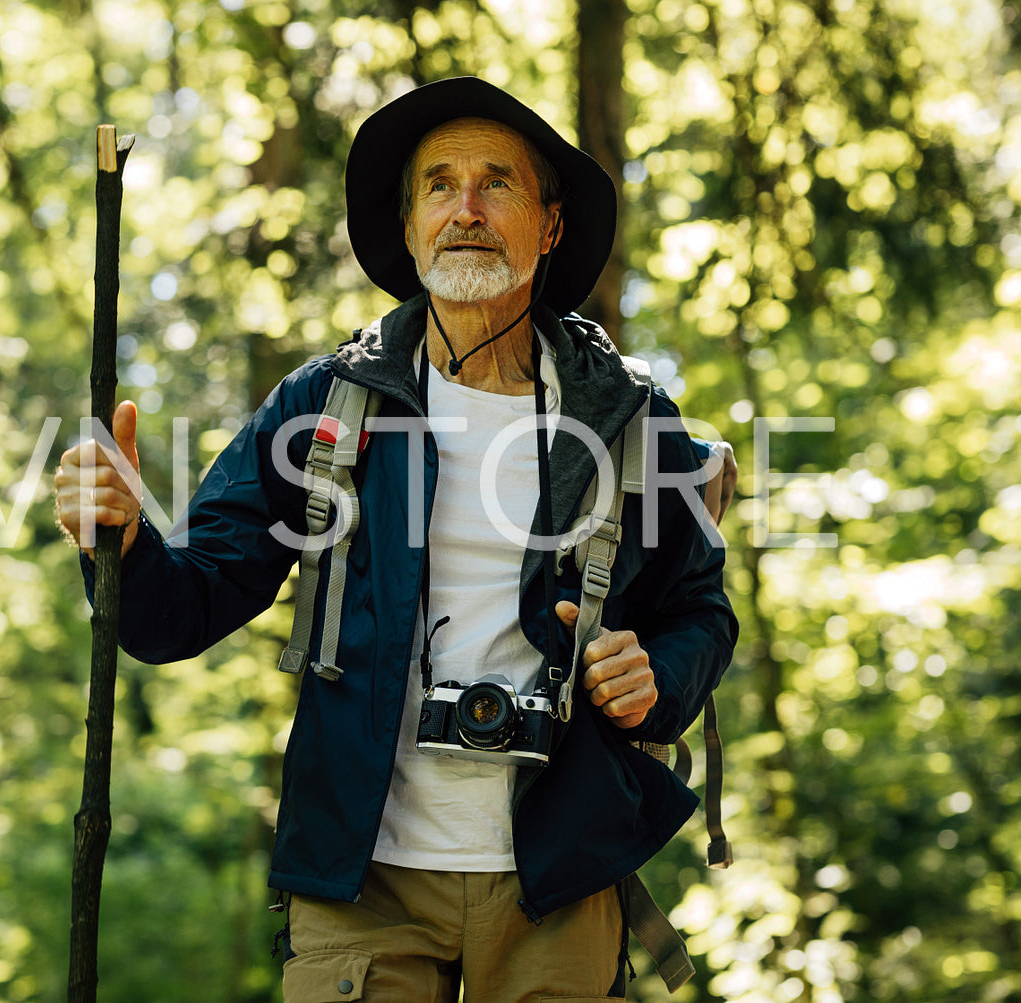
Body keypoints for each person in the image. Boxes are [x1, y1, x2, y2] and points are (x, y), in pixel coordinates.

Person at [55, 76, 737, 1003]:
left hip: (563, 873)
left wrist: (656, 675)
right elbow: (179, 611)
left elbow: (699, 611)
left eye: (497, 183)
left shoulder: (630, 418)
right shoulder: (325, 406)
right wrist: (120, 542)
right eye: (437, 186)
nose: (465, 209)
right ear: (409, 225)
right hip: (359, 873)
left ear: (549, 225)